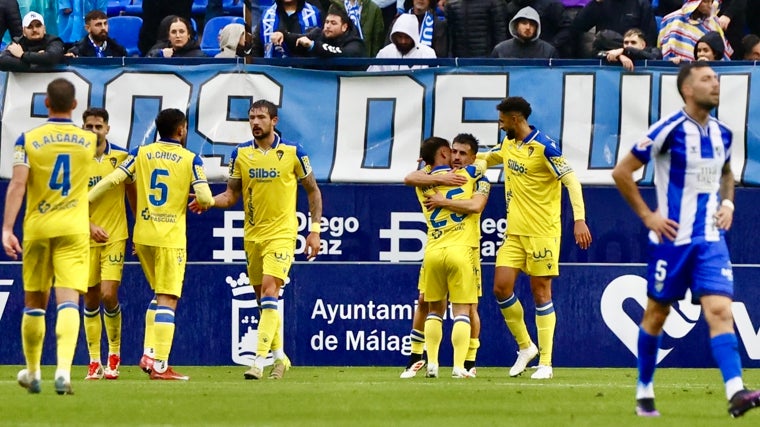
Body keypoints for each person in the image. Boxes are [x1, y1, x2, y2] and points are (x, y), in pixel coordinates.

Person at [611, 61, 760, 418]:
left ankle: (736, 391)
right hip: (672, 241)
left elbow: (726, 173)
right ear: (687, 89)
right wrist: (649, 215)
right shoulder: (668, 129)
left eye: (717, 79)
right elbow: (622, 171)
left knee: (720, 310)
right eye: (707, 79)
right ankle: (644, 389)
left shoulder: (723, 134)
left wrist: (728, 203)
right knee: (656, 314)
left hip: (710, 239)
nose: (715, 84)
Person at [188, 99, 323, 380]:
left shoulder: (293, 152)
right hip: (252, 235)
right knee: (264, 300)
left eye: (261, 117)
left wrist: (315, 229)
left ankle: (257, 362)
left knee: (271, 291)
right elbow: (231, 195)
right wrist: (209, 202)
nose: (255, 122)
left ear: (274, 121)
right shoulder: (240, 154)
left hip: (283, 233)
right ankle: (279, 357)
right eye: (251, 118)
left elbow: (312, 191)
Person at [89, 108, 215, 381]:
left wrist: (84, 200)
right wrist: (202, 202)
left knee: (159, 295)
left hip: (143, 235)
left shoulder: (140, 152)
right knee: (169, 298)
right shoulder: (191, 158)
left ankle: (148, 353)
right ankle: (160, 365)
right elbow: (204, 197)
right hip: (169, 237)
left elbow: (113, 179)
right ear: (181, 130)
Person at [478, 96, 592, 380]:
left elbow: (572, 181)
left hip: (543, 232)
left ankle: (546, 363)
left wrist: (579, 219)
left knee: (541, 292)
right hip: (514, 232)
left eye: (502, 119)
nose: (499, 123)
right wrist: (469, 167)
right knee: (501, 288)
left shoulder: (545, 147)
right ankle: (526, 347)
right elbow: (488, 157)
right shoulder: (509, 144)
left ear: (516, 119)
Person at [3, 78, 97, 395]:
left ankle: (32, 372)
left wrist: (6, 228)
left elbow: (17, 185)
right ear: (74, 105)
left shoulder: (27, 140)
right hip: (73, 228)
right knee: (69, 301)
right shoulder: (88, 141)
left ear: (46, 102)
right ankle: (64, 372)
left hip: (38, 228)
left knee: (35, 302)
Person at [400, 134, 489, 378]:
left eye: (462, 153)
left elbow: (410, 177)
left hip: (435, 251)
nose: (457, 157)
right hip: (461, 250)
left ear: (471, 155)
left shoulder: (425, 181)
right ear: (443, 153)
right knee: (460, 309)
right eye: (453, 152)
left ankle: (436, 363)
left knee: (436, 310)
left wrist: (440, 198)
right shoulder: (473, 175)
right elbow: (476, 201)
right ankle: (459, 366)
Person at [81, 107, 135, 381]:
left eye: (98, 126)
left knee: (108, 294)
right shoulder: (76, 160)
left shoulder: (122, 158)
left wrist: (139, 228)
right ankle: (94, 361)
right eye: (88, 126)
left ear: (107, 129)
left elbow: (132, 192)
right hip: (84, 236)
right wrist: (89, 227)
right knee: (89, 298)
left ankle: (114, 354)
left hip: (115, 235)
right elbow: (69, 203)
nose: (93, 131)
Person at [278, 5, 366, 62]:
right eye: (327, 22)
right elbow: (297, 38)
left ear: (344, 27)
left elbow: (342, 53)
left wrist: (313, 46)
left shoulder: (356, 43)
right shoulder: (318, 34)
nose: (328, 26)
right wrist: (282, 34)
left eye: (333, 23)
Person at [658, 0, 732, 63]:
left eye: (711, 2)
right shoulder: (673, 19)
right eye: (706, 2)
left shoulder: (714, 23)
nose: (710, 6)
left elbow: (721, 56)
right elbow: (664, 51)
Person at [251, 0, 323, 58]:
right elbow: (257, 48)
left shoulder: (315, 14)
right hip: (273, 71)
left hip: (307, 72)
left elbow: (322, 43)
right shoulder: (267, 16)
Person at [367, 13, 435, 71]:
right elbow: (371, 78)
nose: (403, 41)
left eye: (407, 37)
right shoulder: (384, 53)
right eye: (400, 37)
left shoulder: (428, 53)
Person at [491, 6, 558, 59]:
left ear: (537, 27)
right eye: (524, 23)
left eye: (532, 24)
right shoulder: (500, 50)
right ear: (516, 25)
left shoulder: (549, 51)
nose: (528, 27)